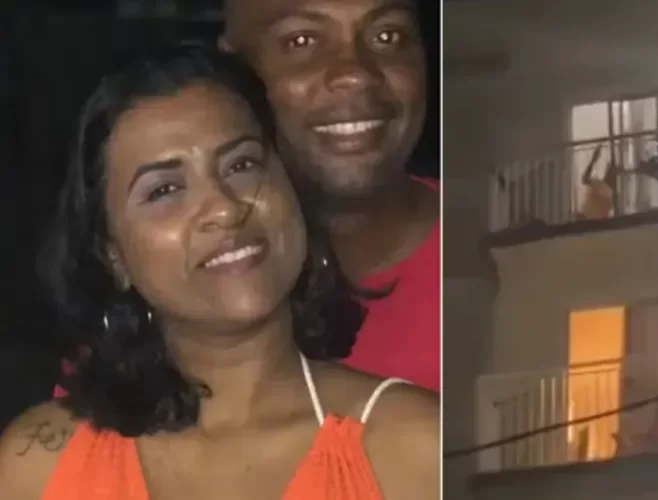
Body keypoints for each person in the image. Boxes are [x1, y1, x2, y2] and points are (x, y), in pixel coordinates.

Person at [0, 46, 437, 499]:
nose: (225, 209)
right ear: (113, 256)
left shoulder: (417, 451)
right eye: (165, 190)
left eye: (242, 165)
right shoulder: (38, 466)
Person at [220, 0, 439, 391]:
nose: (355, 75)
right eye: (302, 41)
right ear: (231, 71)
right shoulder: (173, 306)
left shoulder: (512, 265)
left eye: (387, 35)